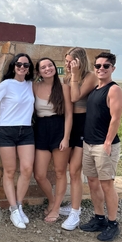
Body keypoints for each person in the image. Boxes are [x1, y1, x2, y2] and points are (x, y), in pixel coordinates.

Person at [0, 53, 35, 229]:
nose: (22, 67)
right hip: (6, 130)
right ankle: (13, 209)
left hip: (26, 130)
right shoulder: (6, 84)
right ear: (13, 66)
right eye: (19, 64)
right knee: (10, 171)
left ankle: (19, 206)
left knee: (27, 169)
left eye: (26, 65)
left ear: (29, 69)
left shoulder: (30, 85)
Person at [78, 52, 122, 241]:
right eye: (98, 66)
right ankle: (99, 218)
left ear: (113, 68)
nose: (101, 69)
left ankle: (113, 223)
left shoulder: (114, 90)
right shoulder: (96, 89)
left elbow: (116, 118)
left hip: (104, 146)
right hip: (88, 144)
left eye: (106, 66)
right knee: (93, 182)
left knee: (107, 184)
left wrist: (107, 142)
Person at [59, 47, 100, 231]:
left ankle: (76, 213)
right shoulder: (68, 77)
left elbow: (75, 97)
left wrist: (74, 75)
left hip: (84, 124)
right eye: (66, 61)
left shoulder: (90, 76)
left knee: (75, 170)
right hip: (70, 124)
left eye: (71, 61)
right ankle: (74, 205)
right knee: (69, 169)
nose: (67, 65)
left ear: (79, 61)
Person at [32, 58, 72, 223]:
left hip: (59, 128)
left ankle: (55, 210)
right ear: (39, 72)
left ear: (55, 68)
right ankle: (53, 200)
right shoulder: (35, 86)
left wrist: (66, 137)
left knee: (60, 172)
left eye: (50, 65)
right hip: (41, 129)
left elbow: (69, 114)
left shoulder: (63, 88)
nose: (47, 69)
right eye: (43, 67)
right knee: (39, 174)